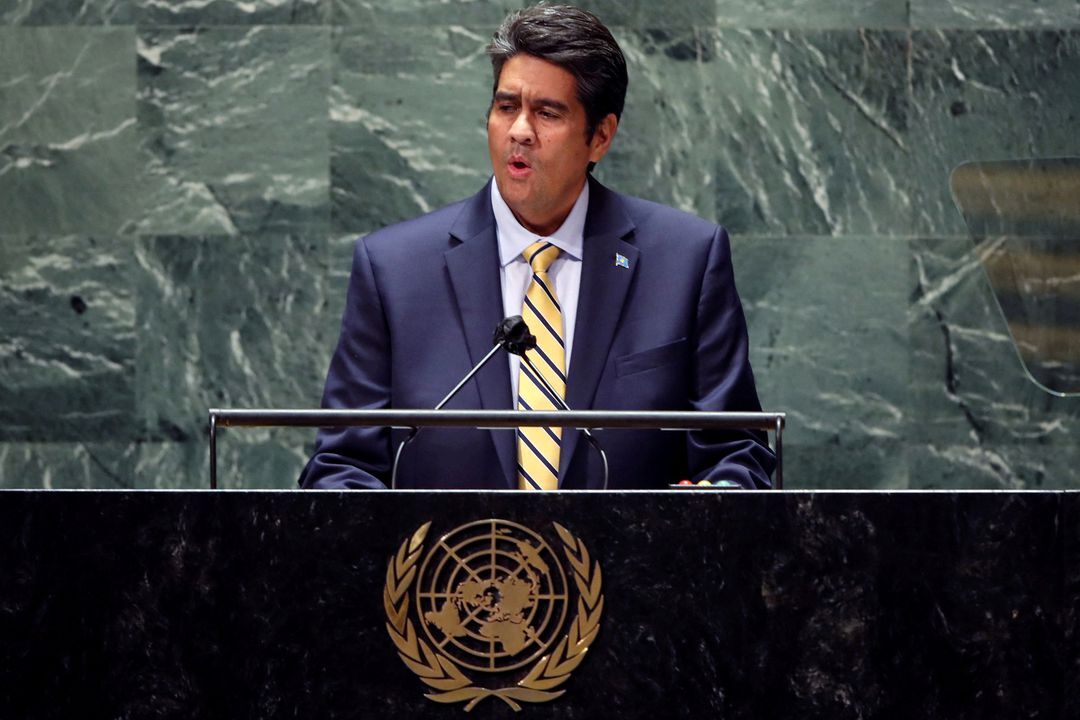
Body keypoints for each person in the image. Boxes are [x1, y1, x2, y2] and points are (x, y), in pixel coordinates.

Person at [299, 4, 775, 490]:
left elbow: (739, 454)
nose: (520, 130)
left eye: (547, 112)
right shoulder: (394, 270)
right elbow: (341, 470)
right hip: (449, 564)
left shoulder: (686, 261)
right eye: (507, 107)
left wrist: (709, 507)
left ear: (601, 137)